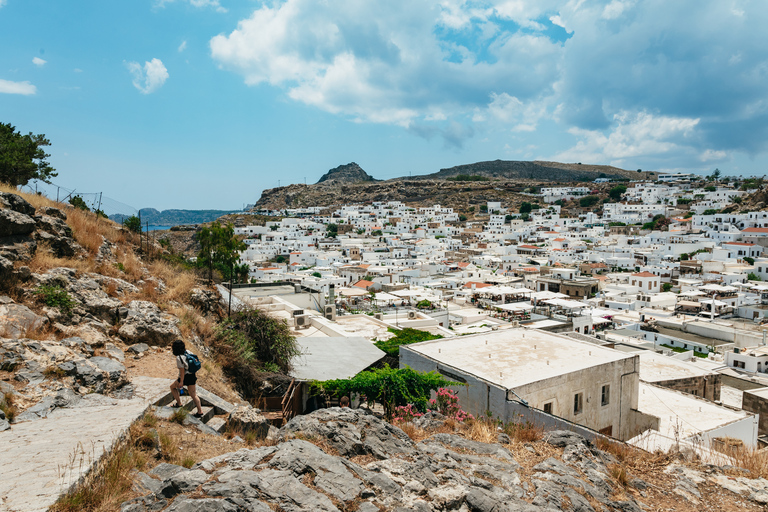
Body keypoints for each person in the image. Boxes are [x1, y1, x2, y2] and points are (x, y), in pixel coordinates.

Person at [170, 340, 204, 418]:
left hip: (185, 377)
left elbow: (182, 372)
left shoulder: (179, 358)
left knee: (172, 387)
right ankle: (200, 411)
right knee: (193, 394)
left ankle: (179, 403)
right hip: (192, 376)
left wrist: (181, 382)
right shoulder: (188, 352)